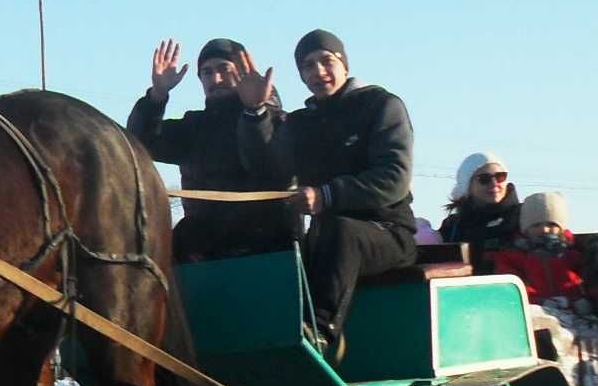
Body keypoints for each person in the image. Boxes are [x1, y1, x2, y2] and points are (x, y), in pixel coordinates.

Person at [236, 30, 417, 354]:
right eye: (307, 66)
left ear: (344, 64)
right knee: (273, 242)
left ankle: (319, 336)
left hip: (388, 231)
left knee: (340, 230)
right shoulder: (302, 122)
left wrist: (327, 196)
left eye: (326, 61)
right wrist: (256, 113)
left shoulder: (381, 105)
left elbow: (394, 177)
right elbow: (267, 168)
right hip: (325, 237)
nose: (318, 72)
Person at [127, 37, 297, 262]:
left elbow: (266, 166)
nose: (215, 79)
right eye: (206, 72)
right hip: (200, 249)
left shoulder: (277, 121)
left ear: (245, 71)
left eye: (224, 69)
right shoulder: (194, 127)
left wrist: (255, 112)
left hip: (267, 247)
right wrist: (156, 96)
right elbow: (140, 143)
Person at [489, 190, 598, 386]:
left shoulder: (572, 254)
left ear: (561, 227)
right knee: (543, 327)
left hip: (573, 311)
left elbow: (583, 282)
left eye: (551, 224)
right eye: (536, 225)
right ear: (525, 229)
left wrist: (582, 298)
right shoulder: (514, 255)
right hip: (537, 307)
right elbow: (511, 283)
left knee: (589, 337)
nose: (544, 230)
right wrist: (534, 299)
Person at [438, 153, 521, 261]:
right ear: (468, 186)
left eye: (500, 176)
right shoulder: (453, 226)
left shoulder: (523, 217)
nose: (494, 183)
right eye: (484, 179)